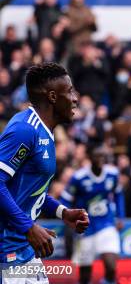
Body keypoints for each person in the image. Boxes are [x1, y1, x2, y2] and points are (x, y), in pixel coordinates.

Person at [0, 63, 89, 283]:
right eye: (69, 91)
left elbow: (27, 190)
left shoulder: (44, 132)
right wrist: (29, 227)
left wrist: (62, 212)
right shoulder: (25, 129)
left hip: (25, 249)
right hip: (5, 251)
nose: (75, 98)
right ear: (52, 96)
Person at [61, 145, 125, 284]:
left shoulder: (112, 174)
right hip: (85, 229)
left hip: (106, 224)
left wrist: (120, 216)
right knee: (85, 276)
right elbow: (65, 198)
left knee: (111, 266)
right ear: (90, 158)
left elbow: (118, 194)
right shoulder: (79, 177)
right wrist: (68, 217)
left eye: (103, 156)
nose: (101, 159)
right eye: (97, 156)